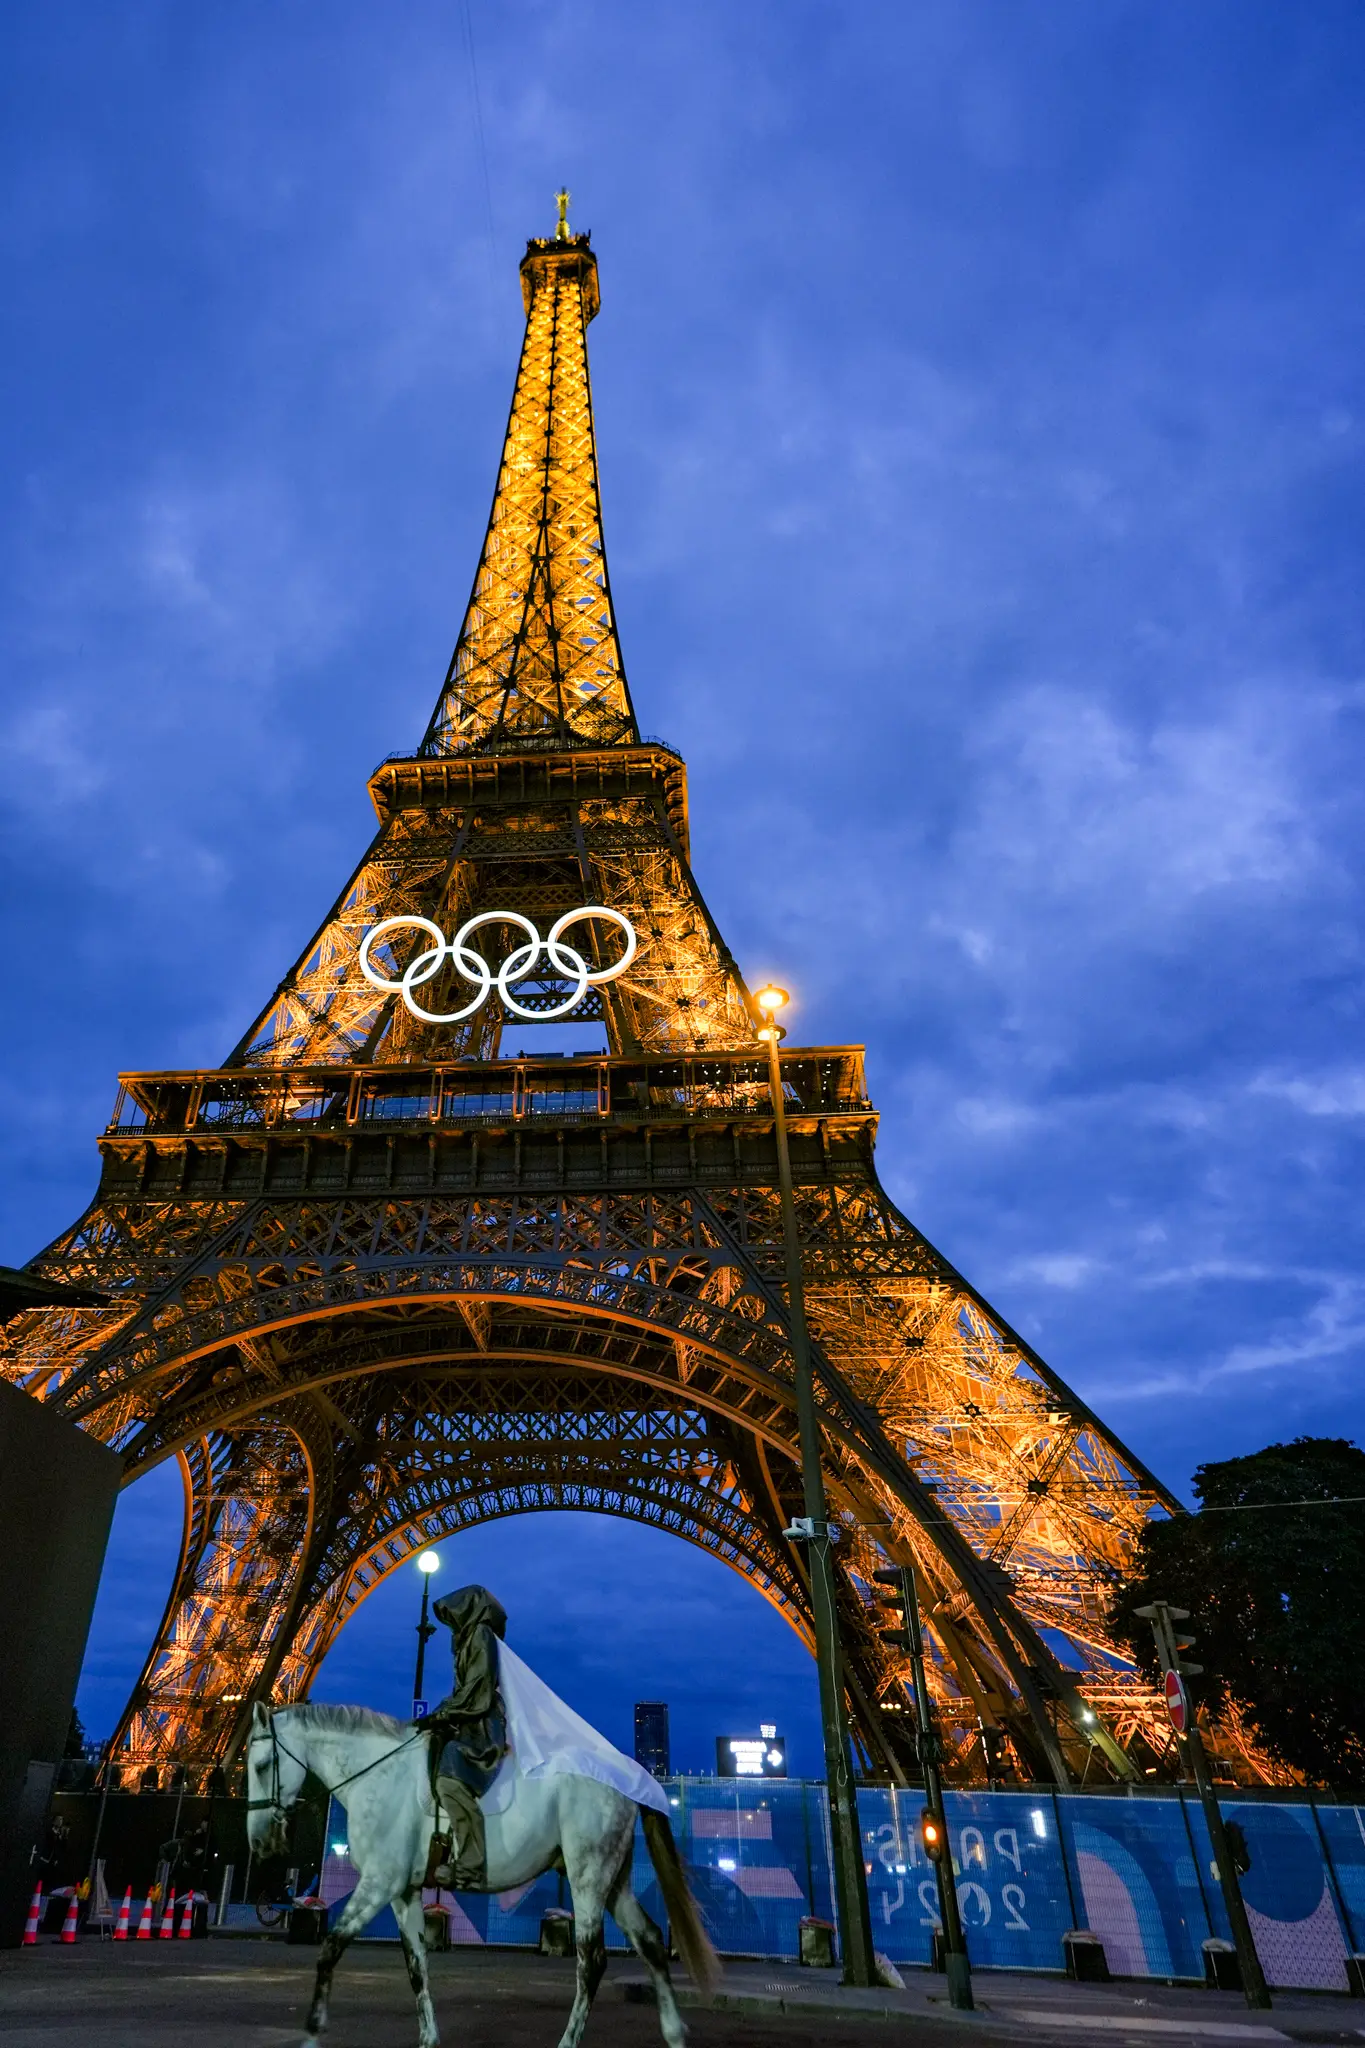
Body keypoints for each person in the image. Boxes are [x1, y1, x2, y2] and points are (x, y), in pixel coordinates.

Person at [419, 1585, 507, 1889]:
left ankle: (470, 1864)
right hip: (466, 1719)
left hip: (481, 1727)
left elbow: (477, 1689)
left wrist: (443, 1712)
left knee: (449, 1777)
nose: (451, 1623)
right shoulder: (468, 1639)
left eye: (453, 1615)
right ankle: (441, 1838)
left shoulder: (481, 1636)